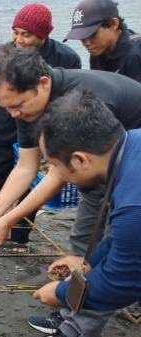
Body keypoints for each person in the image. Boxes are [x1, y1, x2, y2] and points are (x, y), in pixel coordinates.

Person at [0, 46, 141, 255]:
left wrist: (8, 219)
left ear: (43, 83)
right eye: (6, 107)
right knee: (88, 238)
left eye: (17, 105)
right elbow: (26, 167)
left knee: (109, 236)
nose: (13, 114)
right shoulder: (27, 107)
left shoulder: (81, 102)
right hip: (105, 161)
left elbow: (60, 173)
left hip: (130, 155)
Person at [27, 91, 141, 337]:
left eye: (55, 166)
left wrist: (60, 294)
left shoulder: (134, 206)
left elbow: (120, 285)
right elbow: (120, 240)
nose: (56, 174)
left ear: (80, 160)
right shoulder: (132, 144)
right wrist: (89, 262)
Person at [0, 3, 81, 251]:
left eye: (26, 34)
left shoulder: (66, 58)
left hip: (44, 128)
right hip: (6, 129)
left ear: (44, 35)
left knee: (32, 181)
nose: (19, 39)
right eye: (15, 32)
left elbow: (71, 102)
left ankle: (19, 235)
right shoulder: (1, 54)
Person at [63, 0, 141, 83]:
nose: (87, 43)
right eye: (82, 36)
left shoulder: (136, 56)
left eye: (92, 34)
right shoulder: (98, 50)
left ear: (113, 24)